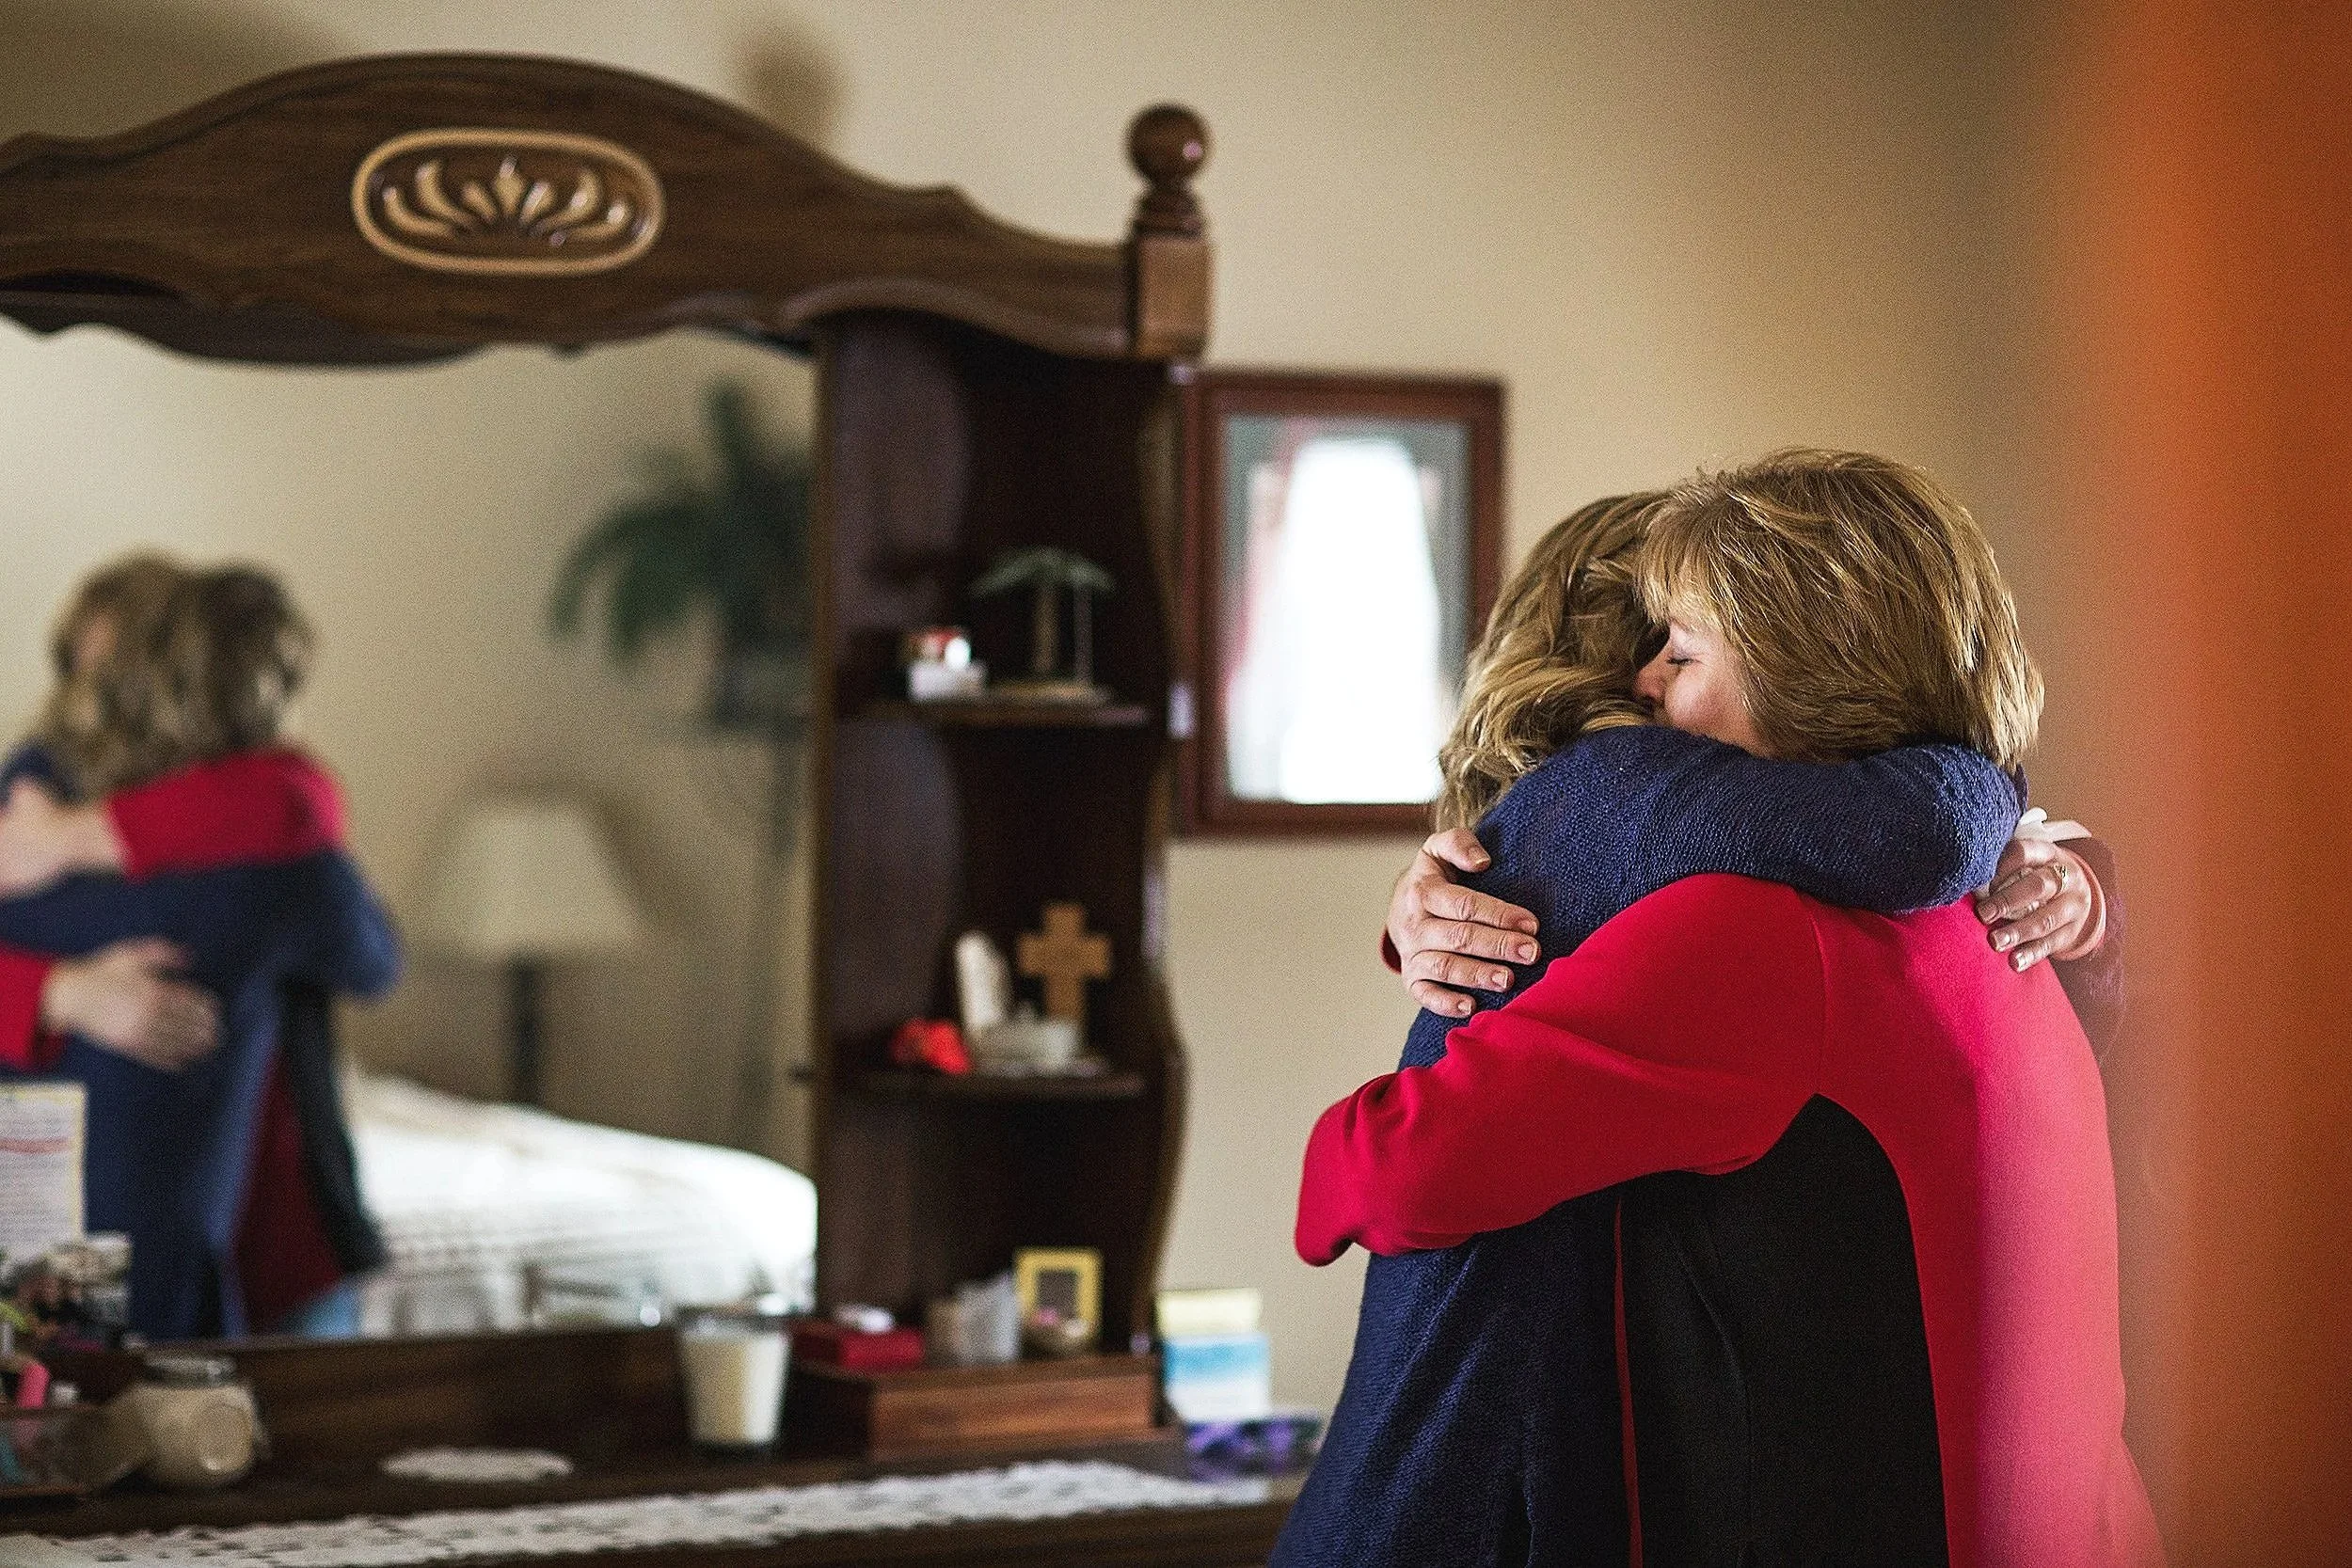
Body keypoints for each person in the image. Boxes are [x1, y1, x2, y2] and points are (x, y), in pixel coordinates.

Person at [1295, 452, 2157, 1566]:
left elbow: (1386, 1170)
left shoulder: (1756, 937)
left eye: (1681, 650)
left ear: (1806, 660)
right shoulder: (2001, 912)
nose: (1647, 691)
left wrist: (1519, 886)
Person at [0, 555, 398, 1338]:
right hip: (107, 1218)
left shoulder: (247, 812)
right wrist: (61, 992)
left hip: (257, 1215)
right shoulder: (34, 794)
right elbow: (372, 953)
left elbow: (294, 801)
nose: (88, 686)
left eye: (111, 662)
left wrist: (85, 838)